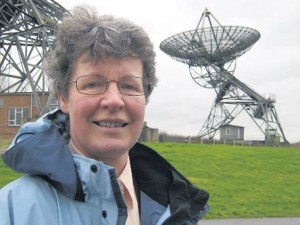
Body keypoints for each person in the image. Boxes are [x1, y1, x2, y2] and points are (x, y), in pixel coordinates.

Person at [0, 5, 209, 225]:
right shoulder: (11, 212)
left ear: (145, 96)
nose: (113, 100)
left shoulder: (175, 209)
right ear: (63, 97)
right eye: (93, 84)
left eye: (129, 85)